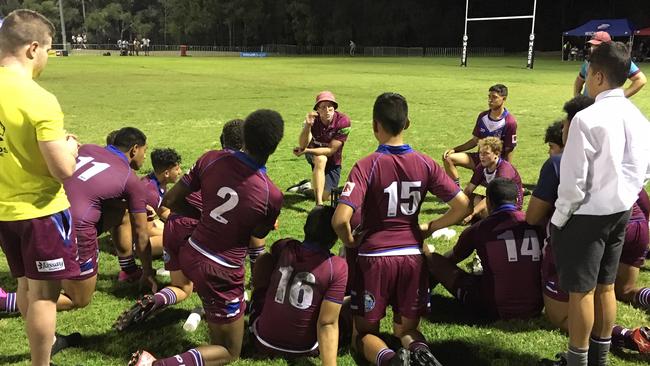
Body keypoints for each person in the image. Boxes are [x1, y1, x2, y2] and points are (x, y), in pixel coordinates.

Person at [130, 110, 284, 366]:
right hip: (222, 270)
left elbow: (170, 201)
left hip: (192, 249)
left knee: (216, 327)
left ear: (244, 137)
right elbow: (257, 234)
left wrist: (205, 218)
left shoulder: (212, 159)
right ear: (275, 146)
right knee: (229, 351)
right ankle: (154, 364)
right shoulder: (272, 195)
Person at [332, 92, 469, 366]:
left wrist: (349, 241)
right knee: (405, 329)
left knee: (364, 334)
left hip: (374, 258)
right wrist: (430, 227)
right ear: (407, 123)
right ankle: (421, 355)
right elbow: (462, 205)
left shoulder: (366, 165)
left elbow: (339, 219)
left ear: (374, 125)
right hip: (412, 256)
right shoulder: (425, 163)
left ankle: (389, 361)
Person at [549, 42, 650, 366]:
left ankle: (577, 361)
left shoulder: (587, 118)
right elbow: (644, 169)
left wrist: (560, 218)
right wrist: (626, 193)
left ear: (600, 76)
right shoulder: (638, 117)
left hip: (587, 215)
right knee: (606, 286)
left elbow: (573, 180)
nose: (587, 79)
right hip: (621, 210)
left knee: (582, 292)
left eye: (590, 73)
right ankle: (599, 359)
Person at [526, 98, 650, 357]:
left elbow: (533, 216)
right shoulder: (616, 152)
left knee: (565, 311)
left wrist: (556, 219)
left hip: (587, 232)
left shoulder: (559, 162)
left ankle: (624, 337)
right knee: (617, 290)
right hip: (632, 223)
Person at [114, 119, 248, 332]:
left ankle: (155, 300)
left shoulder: (207, 159)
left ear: (222, 141)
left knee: (181, 287)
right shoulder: (245, 170)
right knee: (211, 279)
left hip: (175, 224)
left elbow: (174, 196)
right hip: (197, 231)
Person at [0, 9, 80, 366]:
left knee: (24, 283)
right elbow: (63, 169)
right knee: (45, 295)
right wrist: (72, 147)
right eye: (48, 50)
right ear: (33, 49)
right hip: (41, 211)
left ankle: (38, 349)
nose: (48, 58)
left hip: (4, 210)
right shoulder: (39, 99)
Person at [58, 127, 155, 311]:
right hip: (75, 228)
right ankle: (9, 301)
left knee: (123, 211)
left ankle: (129, 270)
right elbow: (141, 234)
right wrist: (149, 272)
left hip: (47, 215)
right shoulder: (131, 179)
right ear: (135, 149)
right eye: (145, 150)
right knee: (79, 298)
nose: (144, 156)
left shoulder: (87, 148)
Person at [426, 178, 544, 320]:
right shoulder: (536, 223)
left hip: (494, 307)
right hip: (537, 305)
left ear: (488, 201)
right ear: (518, 199)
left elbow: (451, 258)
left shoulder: (480, 228)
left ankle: (417, 293)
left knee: (433, 260)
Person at [249, 205, 347, 365]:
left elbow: (273, 251)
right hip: (305, 347)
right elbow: (327, 322)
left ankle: (258, 303)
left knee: (264, 259)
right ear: (334, 237)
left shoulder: (286, 246)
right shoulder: (336, 266)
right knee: (345, 311)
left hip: (262, 340)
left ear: (305, 228)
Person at [443, 84, 517, 186]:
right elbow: (474, 141)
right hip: (479, 158)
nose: (490, 100)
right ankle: (455, 191)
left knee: (482, 197)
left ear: (504, 99)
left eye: (494, 97)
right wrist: (455, 149)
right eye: (489, 97)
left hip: (494, 163)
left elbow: (509, 149)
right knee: (448, 158)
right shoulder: (483, 116)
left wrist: (506, 169)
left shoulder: (509, 122)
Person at [292, 91, 351, 205]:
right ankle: (319, 204)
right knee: (321, 159)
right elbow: (303, 144)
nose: (327, 110)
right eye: (323, 107)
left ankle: (306, 187)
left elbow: (331, 150)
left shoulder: (343, 121)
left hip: (333, 158)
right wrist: (308, 126)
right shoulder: (312, 120)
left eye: (330, 106)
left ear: (334, 107)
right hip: (314, 155)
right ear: (317, 109)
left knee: (326, 196)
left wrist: (305, 151)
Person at [461, 137, 523, 224]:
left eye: (486, 153)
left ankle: (488, 219)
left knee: (485, 210)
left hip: (508, 205)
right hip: (493, 201)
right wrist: (458, 207)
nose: (482, 156)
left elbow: (494, 197)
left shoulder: (504, 170)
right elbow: (468, 190)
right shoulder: (481, 167)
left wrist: (472, 213)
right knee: (467, 199)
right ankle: (482, 217)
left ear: (496, 154)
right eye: (480, 153)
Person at [573, 31, 646, 98]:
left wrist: (623, 95)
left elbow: (641, 79)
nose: (593, 48)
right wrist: (577, 95)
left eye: (597, 45)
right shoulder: (589, 61)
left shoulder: (619, 60)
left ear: (608, 46)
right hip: (589, 105)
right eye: (592, 45)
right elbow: (580, 79)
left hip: (608, 106)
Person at [141, 148, 183, 256]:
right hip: (136, 240)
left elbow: (162, 210)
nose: (180, 172)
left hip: (144, 228)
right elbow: (147, 230)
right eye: (177, 169)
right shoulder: (150, 193)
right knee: (180, 239)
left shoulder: (159, 183)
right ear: (167, 173)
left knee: (182, 230)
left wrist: (184, 222)